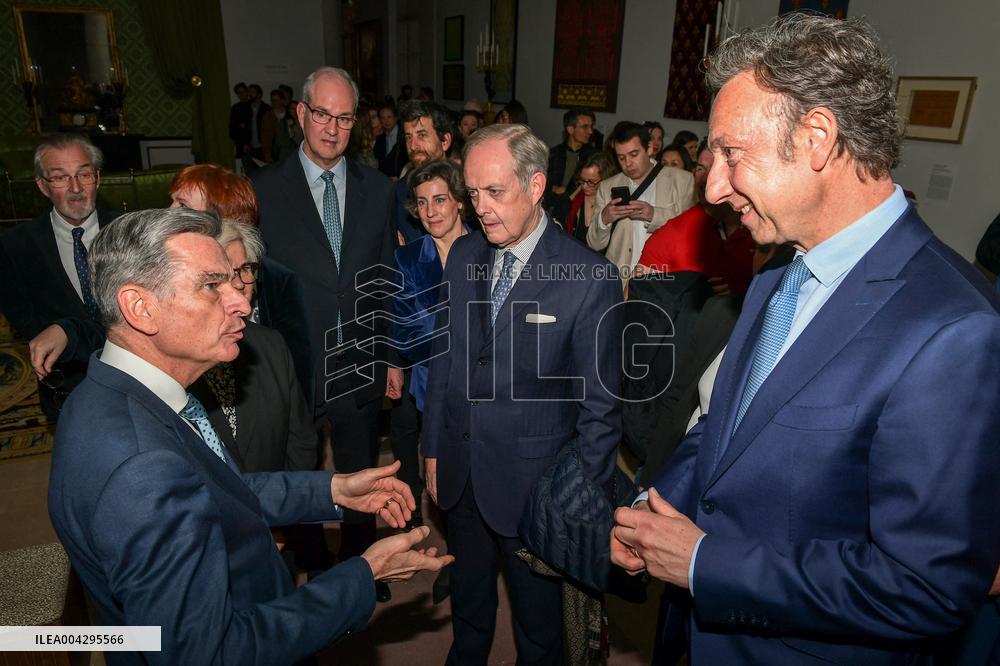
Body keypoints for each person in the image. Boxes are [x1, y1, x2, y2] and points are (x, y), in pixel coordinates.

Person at [611, 14, 1000, 665]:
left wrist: (708, 562)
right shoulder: (777, 272)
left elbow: (924, 587)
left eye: (733, 155)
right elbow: (726, 428)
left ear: (818, 138)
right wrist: (659, 502)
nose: (712, 186)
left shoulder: (954, 329)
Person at [47, 207, 451, 664]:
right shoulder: (141, 469)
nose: (240, 300)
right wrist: (363, 573)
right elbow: (211, 654)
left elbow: (214, 492)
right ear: (140, 307)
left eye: (234, 280)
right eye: (211, 285)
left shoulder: (107, 392)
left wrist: (334, 489)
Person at [421, 123, 623, 664]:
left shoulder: (588, 277)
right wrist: (433, 446)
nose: (480, 208)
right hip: (461, 472)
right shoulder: (464, 256)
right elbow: (446, 357)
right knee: (469, 607)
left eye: (495, 192)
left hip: (535, 492)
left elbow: (601, 410)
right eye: (473, 193)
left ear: (536, 187)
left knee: (539, 633)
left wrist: (581, 503)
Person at [253, 66, 402, 603]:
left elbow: (385, 277)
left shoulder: (377, 189)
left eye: (343, 118)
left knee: (361, 467)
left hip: (360, 358)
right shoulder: (264, 189)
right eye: (322, 114)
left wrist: (390, 356)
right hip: (294, 364)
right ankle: (314, 562)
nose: (332, 128)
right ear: (300, 114)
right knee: (301, 472)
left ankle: (362, 565)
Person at [0, 134, 117, 415]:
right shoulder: (15, 245)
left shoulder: (129, 230)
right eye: (60, 178)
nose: (76, 188)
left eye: (84, 174)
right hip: (67, 386)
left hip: (136, 377)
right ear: (42, 186)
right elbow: (25, 321)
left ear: (97, 178)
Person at [393, 159, 470, 413]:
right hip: (434, 389)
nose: (429, 212)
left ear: (459, 201)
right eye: (422, 202)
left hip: (489, 389)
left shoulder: (490, 251)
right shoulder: (408, 259)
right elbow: (406, 337)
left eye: (439, 200)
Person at [638, 140, 755, 297]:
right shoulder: (673, 234)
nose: (706, 178)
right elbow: (636, 298)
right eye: (700, 168)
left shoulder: (761, 229)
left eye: (715, 168)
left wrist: (747, 291)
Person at [587, 121, 696, 283]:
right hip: (619, 280)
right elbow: (594, 244)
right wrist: (604, 219)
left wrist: (654, 214)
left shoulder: (681, 180)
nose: (628, 163)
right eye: (621, 158)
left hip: (663, 280)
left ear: (650, 148)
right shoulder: (607, 186)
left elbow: (691, 233)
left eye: (634, 154)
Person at [544, 108, 596, 221]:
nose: (590, 131)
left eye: (591, 127)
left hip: (580, 213)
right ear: (570, 129)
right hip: (552, 211)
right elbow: (545, 187)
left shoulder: (593, 157)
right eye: (585, 127)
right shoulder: (553, 154)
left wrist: (565, 191)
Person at [563, 150, 616, 243]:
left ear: (605, 180)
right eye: (582, 180)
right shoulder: (572, 199)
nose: (584, 186)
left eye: (591, 182)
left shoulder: (613, 203)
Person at [374, 102, 406, 177]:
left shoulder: (404, 135)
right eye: (383, 118)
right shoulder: (380, 137)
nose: (386, 121)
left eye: (389, 117)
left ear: (395, 118)